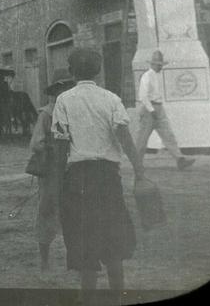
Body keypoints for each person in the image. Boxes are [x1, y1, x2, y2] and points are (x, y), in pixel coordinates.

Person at [52, 48, 147, 296]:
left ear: (72, 72)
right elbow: (125, 138)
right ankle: (117, 298)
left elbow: (61, 146)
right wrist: (140, 171)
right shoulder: (111, 99)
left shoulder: (63, 100)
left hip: (78, 180)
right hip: (108, 178)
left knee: (84, 244)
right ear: (98, 71)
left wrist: (57, 184)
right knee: (113, 240)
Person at [29, 68, 75, 273]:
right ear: (55, 91)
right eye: (61, 88)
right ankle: (45, 261)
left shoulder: (74, 111)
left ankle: (74, 260)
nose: (64, 92)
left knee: (73, 213)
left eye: (68, 87)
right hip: (51, 174)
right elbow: (36, 143)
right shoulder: (46, 114)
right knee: (47, 212)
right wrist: (54, 147)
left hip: (72, 170)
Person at [135, 50, 195, 171]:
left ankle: (179, 159)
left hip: (158, 107)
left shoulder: (157, 76)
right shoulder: (146, 76)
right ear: (152, 64)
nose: (160, 66)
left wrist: (157, 109)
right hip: (148, 109)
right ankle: (137, 163)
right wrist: (151, 110)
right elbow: (143, 96)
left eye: (161, 64)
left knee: (168, 135)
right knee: (142, 139)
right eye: (158, 64)